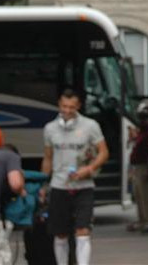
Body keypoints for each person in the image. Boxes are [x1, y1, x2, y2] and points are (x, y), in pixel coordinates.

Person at [42, 88, 109, 265]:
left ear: (78, 106)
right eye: (64, 106)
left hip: (84, 186)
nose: (67, 111)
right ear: (59, 104)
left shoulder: (90, 126)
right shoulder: (50, 129)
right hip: (59, 186)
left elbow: (103, 153)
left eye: (72, 107)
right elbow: (47, 158)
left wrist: (89, 169)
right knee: (60, 233)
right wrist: (43, 184)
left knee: (83, 230)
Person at [126, 103, 148, 234]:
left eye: (143, 118)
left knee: (147, 196)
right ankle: (143, 220)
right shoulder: (142, 131)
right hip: (137, 166)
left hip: (145, 166)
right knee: (139, 195)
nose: (141, 121)